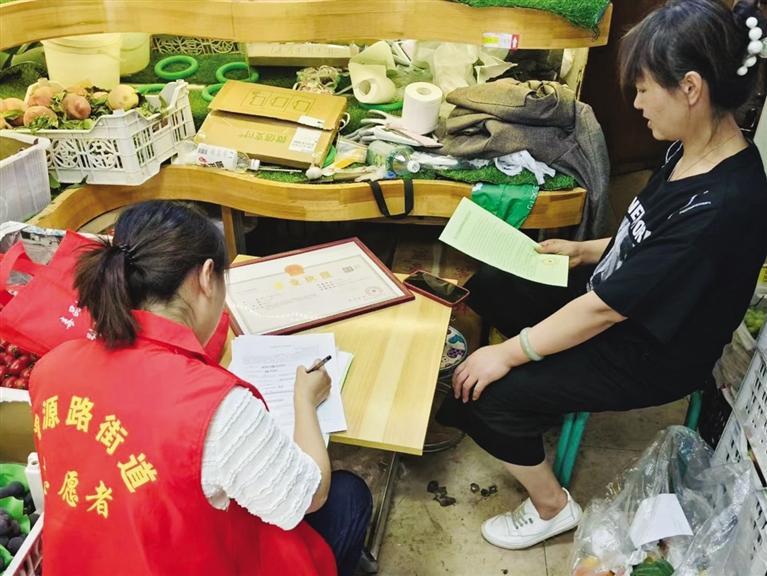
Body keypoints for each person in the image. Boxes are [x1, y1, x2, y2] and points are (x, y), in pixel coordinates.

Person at [438, 0, 767, 551]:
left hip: (651, 348)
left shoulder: (724, 205)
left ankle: (552, 506)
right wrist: (588, 249)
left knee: (487, 394)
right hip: (618, 297)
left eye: (644, 89)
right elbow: (649, 235)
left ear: (690, 88)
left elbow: (606, 310)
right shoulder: (690, 147)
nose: (637, 104)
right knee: (494, 284)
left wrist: (511, 353)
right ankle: (536, 400)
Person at [29, 201, 372, 575]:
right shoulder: (217, 408)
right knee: (347, 495)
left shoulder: (51, 368)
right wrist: (304, 400)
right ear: (207, 277)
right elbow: (310, 496)